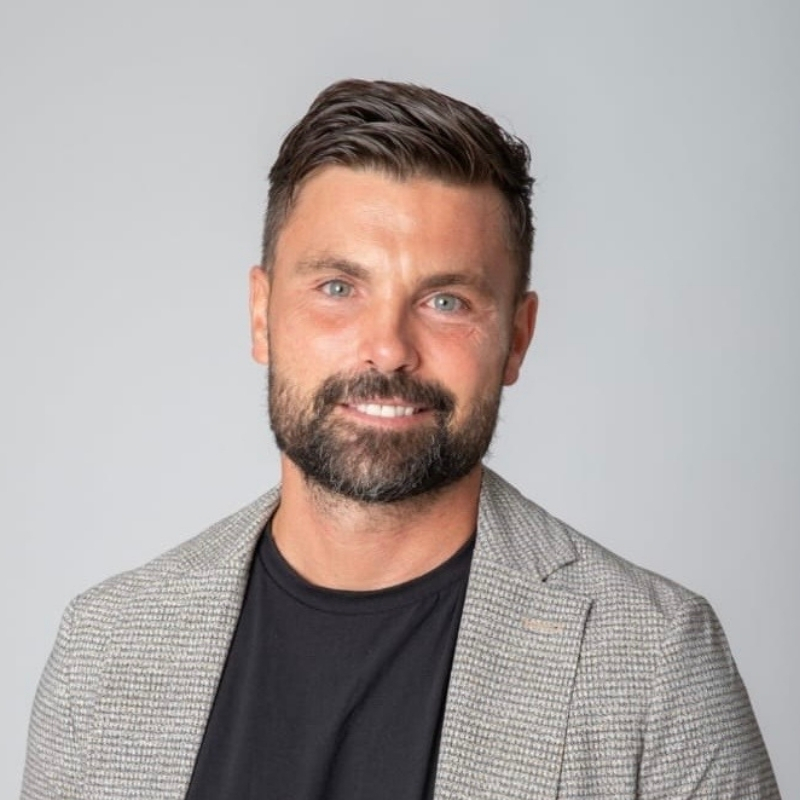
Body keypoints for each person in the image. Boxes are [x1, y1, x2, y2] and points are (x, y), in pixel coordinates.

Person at [21, 79, 780, 799]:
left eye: (446, 300)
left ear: (516, 338)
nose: (387, 349)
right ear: (261, 315)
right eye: (338, 289)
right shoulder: (108, 649)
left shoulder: (653, 661)